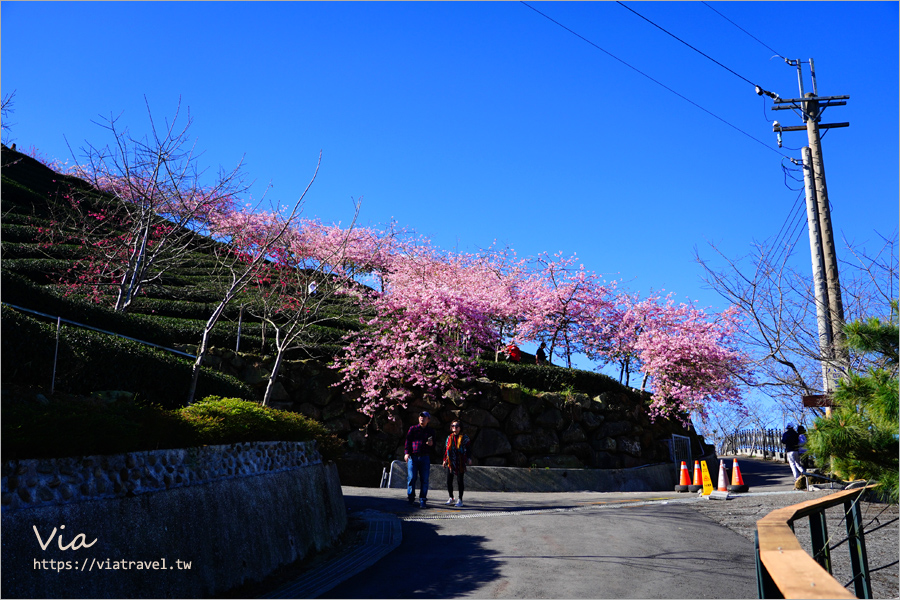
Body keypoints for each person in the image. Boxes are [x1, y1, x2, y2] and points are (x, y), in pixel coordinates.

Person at [405, 411, 436, 508]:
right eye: (420, 417)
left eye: (424, 417)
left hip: (425, 457)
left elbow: (434, 445)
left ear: (428, 419)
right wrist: (406, 453)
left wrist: (431, 444)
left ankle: (423, 500)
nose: (422, 418)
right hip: (413, 456)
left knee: (424, 479)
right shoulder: (413, 429)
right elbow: (408, 441)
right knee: (411, 478)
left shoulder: (431, 431)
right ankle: (411, 498)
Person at [443, 421, 472, 507]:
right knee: (449, 481)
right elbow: (446, 450)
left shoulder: (465, 438)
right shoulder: (449, 438)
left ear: (460, 427)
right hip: (451, 461)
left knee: (460, 481)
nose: (454, 427)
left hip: (460, 461)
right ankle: (451, 497)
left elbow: (469, 449)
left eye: (457, 426)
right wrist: (445, 460)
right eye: (453, 426)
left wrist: (469, 458)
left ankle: (460, 499)